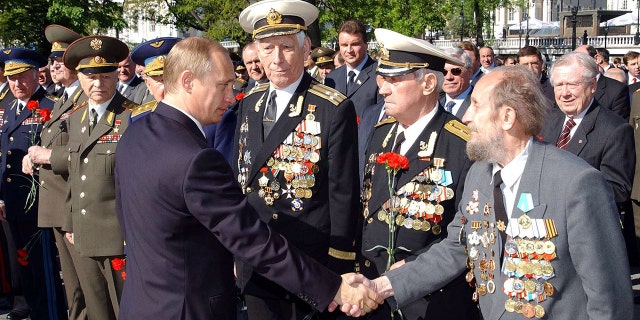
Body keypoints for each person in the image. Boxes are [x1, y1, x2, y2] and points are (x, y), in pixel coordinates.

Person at [115, 35, 381, 320]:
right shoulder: (195, 160)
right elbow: (252, 240)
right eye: (223, 85)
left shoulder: (135, 134)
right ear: (188, 81)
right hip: (189, 308)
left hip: (142, 305)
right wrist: (333, 289)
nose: (231, 98)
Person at [350, 65, 634, 320]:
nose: (466, 117)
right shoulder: (480, 174)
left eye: (475, 105)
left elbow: (609, 300)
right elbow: (456, 248)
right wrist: (382, 285)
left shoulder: (576, 183)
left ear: (507, 116)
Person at [235, 1, 361, 319]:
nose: (277, 59)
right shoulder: (249, 102)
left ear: (305, 50)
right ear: (257, 52)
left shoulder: (333, 107)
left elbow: (343, 193)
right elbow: (242, 175)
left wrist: (340, 264)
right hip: (257, 256)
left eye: (287, 47)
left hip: (308, 260)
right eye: (267, 48)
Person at [359, 28, 479, 320]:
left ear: (427, 83)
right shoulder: (381, 134)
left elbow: (468, 233)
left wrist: (411, 270)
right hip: (373, 292)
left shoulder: (461, 144)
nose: (383, 89)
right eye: (382, 79)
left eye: (394, 80)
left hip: (429, 300)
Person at [28, 35, 136, 320]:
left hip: (119, 239)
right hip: (84, 236)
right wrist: (71, 221)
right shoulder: (76, 118)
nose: (97, 84)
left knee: (126, 310)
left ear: (116, 74)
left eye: (104, 76)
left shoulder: (133, 117)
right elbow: (76, 176)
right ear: (80, 77)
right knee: (97, 311)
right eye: (90, 77)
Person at [540, 52, 638, 265]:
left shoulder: (615, 130)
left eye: (572, 85)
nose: (564, 93)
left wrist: (564, 194)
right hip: (543, 234)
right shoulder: (548, 120)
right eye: (559, 85)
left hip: (586, 240)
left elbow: (618, 190)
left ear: (592, 85)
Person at [24, 24, 88, 320]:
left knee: (89, 289)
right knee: (74, 291)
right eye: (52, 60)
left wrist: (48, 155)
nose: (55, 65)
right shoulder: (62, 98)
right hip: (58, 206)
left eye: (62, 59)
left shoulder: (84, 101)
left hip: (75, 206)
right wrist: (33, 155)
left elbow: (86, 153)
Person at [0, 48, 66, 320]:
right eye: (11, 78)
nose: (16, 84)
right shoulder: (5, 108)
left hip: (40, 204)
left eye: (22, 77)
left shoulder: (52, 106)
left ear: (36, 75)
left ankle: (50, 315)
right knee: (24, 265)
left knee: (44, 270)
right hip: (13, 203)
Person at [325, 19, 383, 117]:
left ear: (366, 45)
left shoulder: (380, 75)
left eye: (355, 44)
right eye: (344, 45)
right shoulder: (332, 78)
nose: (349, 50)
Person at [128, 37, 181, 122]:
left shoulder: (204, 118)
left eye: (172, 80)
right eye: (161, 81)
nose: (168, 88)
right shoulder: (138, 119)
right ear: (149, 85)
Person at [575, 45, 630, 120]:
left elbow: (618, 125)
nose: (575, 64)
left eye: (580, 59)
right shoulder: (567, 88)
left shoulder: (617, 90)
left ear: (596, 59)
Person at [439, 47, 474, 118]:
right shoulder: (434, 103)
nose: (449, 77)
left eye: (456, 71)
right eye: (444, 72)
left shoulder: (481, 102)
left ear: (469, 72)